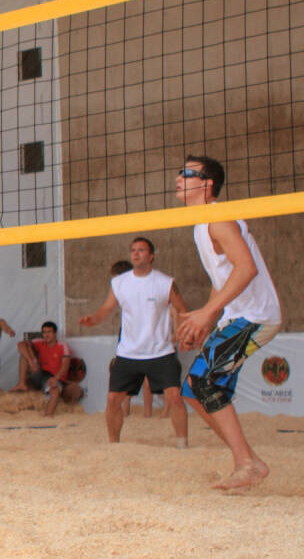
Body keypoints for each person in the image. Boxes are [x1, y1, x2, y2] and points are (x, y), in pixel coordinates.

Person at [174, 155, 282, 489]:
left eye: (187, 173)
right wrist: (210, 317)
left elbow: (246, 268)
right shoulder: (201, 223)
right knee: (193, 390)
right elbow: (222, 277)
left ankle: (246, 464)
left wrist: (207, 313)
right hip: (238, 316)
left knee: (204, 382)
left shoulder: (218, 218)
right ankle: (251, 461)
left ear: (206, 185)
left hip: (256, 317)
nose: (178, 177)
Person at [79, 237, 189, 447]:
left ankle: (182, 445)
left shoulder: (165, 282)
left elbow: (182, 311)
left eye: (141, 250)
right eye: (133, 250)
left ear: (151, 256)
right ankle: (114, 445)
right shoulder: (119, 283)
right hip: (128, 353)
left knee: (175, 397)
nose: (135, 254)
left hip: (161, 351)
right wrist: (94, 319)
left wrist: (185, 335)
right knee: (112, 400)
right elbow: (106, 310)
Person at [16, 322, 84, 416]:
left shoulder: (62, 346)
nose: (46, 335)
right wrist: (32, 362)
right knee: (23, 356)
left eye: (49, 332)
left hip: (53, 376)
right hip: (40, 374)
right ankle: (21, 384)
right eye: (44, 332)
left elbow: (65, 365)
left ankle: (48, 416)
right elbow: (21, 344)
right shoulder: (40, 342)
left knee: (55, 391)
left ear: (55, 333)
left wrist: (55, 378)